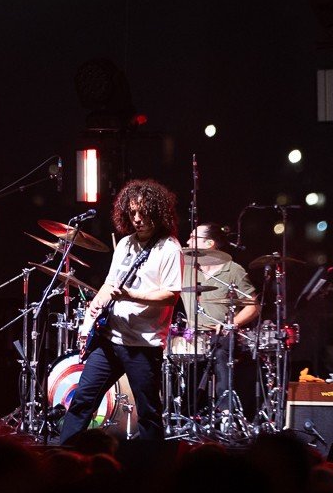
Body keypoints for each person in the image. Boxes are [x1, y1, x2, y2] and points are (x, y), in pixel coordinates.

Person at [59, 179, 183, 443]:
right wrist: (94, 309)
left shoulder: (170, 248)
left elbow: (171, 296)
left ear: (157, 212)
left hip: (142, 345)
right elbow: (109, 283)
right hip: (110, 339)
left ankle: (153, 471)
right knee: (82, 400)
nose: (137, 218)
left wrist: (131, 295)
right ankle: (64, 454)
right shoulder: (125, 244)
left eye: (143, 212)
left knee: (148, 413)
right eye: (133, 213)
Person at [183, 222, 260, 415]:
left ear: (209, 243)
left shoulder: (233, 269)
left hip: (221, 335)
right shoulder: (186, 269)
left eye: (193, 238)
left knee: (219, 351)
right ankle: (181, 412)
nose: (187, 241)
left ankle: (225, 414)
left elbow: (253, 306)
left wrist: (230, 325)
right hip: (191, 336)